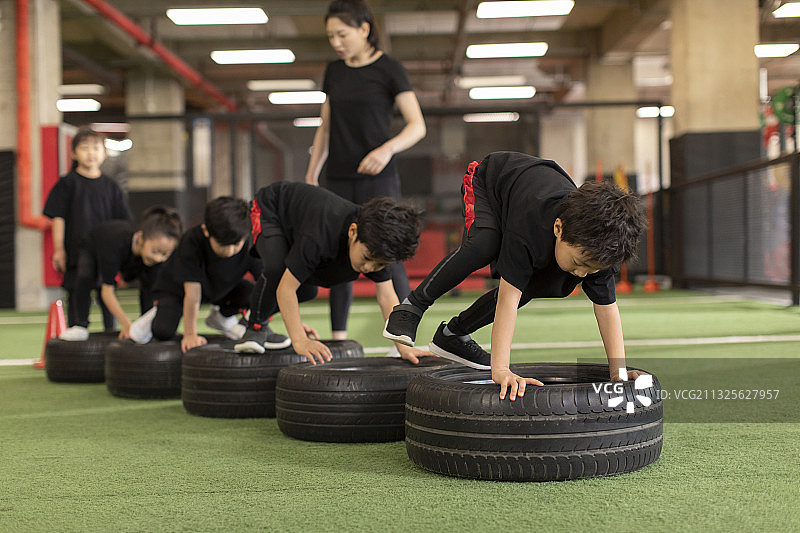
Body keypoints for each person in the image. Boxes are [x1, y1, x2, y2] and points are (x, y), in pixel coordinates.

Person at [382, 151, 648, 401]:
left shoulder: (604, 247)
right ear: (558, 228)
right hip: (491, 182)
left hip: (528, 200)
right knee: (484, 243)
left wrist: (618, 373)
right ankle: (411, 306)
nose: (582, 274)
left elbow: (607, 308)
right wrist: (501, 369)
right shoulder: (530, 230)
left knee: (541, 284)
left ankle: (453, 335)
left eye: (591, 269)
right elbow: (508, 298)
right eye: (579, 263)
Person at [304, 0, 426, 343]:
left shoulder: (390, 69)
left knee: (389, 252)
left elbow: (417, 126)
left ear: (364, 29)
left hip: (378, 178)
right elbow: (325, 125)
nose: (336, 42)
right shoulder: (334, 71)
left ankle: (403, 337)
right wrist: (312, 173)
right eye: (330, 36)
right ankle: (339, 339)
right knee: (341, 252)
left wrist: (386, 150)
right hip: (338, 178)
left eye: (342, 35)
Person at [234, 181, 431, 365]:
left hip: (300, 223)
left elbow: (387, 296)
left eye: (379, 264)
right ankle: (255, 327)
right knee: (277, 270)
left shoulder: (379, 245)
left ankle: (254, 314)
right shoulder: (319, 236)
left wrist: (403, 348)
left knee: (308, 290)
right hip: (271, 208)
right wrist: (300, 339)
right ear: (353, 232)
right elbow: (286, 290)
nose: (369, 268)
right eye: (367, 258)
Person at [128, 197, 264, 353]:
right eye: (222, 245)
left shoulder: (253, 243)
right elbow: (192, 294)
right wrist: (190, 335)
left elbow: (265, 281)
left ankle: (221, 317)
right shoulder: (191, 240)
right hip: (177, 290)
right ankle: (156, 312)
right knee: (163, 331)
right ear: (206, 231)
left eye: (235, 245)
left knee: (256, 293)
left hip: (220, 287)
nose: (229, 251)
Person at [43, 126, 132, 332]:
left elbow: (123, 223)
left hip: (105, 253)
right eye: (84, 148)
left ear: (104, 152)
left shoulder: (111, 187)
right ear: (74, 153)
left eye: (95, 148)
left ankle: (111, 332)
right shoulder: (67, 184)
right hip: (75, 251)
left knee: (106, 293)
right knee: (76, 292)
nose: (91, 153)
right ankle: (76, 331)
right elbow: (58, 218)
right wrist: (59, 250)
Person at [58, 206, 183, 341]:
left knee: (148, 287)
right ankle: (80, 325)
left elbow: (152, 293)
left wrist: (143, 329)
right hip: (92, 247)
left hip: (132, 258)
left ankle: (145, 329)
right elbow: (107, 292)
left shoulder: (153, 259)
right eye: (155, 251)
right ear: (141, 238)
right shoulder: (115, 244)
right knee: (85, 276)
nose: (158, 258)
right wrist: (127, 324)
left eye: (164, 254)